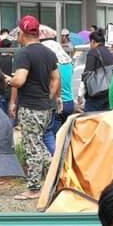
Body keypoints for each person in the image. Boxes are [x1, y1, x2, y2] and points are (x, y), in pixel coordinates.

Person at [8, 15, 59, 202]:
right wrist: (50, 96)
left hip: (30, 106)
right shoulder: (49, 52)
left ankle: (34, 187)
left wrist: (9, 80)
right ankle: (59, 174)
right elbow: (56, 79)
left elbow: (19, 80)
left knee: (32, 146)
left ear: (22, 33)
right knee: (39, 144)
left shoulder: (24, 54)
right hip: (45, 107)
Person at [40, 25, 75, 155]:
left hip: (57, 104)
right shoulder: (68, 63)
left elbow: (53, 84)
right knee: (66, 138)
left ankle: (57, 164)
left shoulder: (54, 66)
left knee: (52, 138)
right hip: (69, 102)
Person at [81, 28, 113, 112]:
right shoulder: (109, 52)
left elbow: (87, 74)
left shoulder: (93, 52)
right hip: (109, 92)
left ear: (93, 41)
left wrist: (80, 94)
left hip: (96, 94)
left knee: (89, 119)